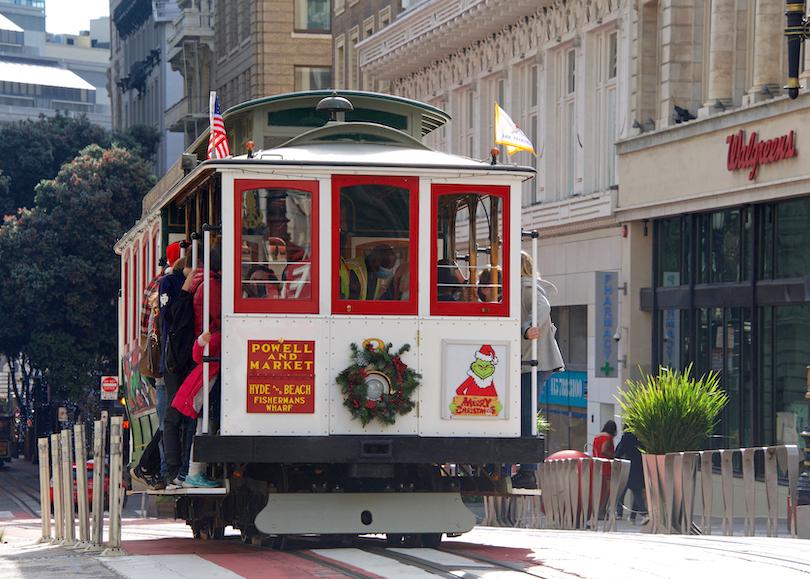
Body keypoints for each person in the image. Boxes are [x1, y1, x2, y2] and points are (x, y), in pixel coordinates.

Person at [512, 251, 564, 489]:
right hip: (533, 362)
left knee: (525, 413)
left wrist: (527, 328)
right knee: (524, 412)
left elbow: (542, 307)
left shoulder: (525, 287)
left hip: (534, 362)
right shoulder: (524, 287)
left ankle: (529, 471)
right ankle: (526, 470)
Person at [172, 328, 221, 488]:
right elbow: (198, 356)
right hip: (210, 390)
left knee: (205, 429)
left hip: (211, 388)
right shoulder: (218, 336)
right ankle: (194, 473)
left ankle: (195, 473)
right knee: (203, 429)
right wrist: (201, 342)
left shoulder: (218, 334)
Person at [615, 431, 647, 524]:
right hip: (643, 465)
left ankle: (645, 514)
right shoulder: (642, 434)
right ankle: (632, 517)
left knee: (636, 491)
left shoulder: (627, 436)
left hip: (631, 466)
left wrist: (615, 458)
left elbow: (619, 451)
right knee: (638, 489)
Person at [592, 419, 618, 518]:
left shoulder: (597, 437)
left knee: (599, 487)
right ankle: (602, 511)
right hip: (606, 465)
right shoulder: (608, 438)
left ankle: (598, 510)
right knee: (607, 489)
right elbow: (604, 450)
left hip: (597, 464)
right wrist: (614, 456)